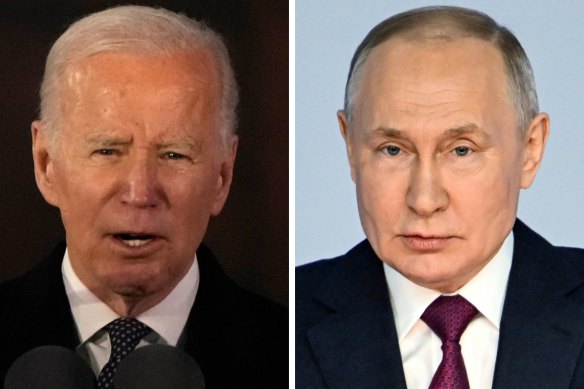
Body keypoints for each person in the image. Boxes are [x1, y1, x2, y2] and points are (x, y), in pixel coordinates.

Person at [296, 6, 584, 389]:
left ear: (530, 149)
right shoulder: (288, 319)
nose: (425, 200)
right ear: (350, 147)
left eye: (461, 150)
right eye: (393, 150)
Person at [0, 5, 286, 387]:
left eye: (174, 154)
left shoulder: (289, 355)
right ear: (46, 163)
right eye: (107, 151)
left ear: (222, 174)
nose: (139, 192)